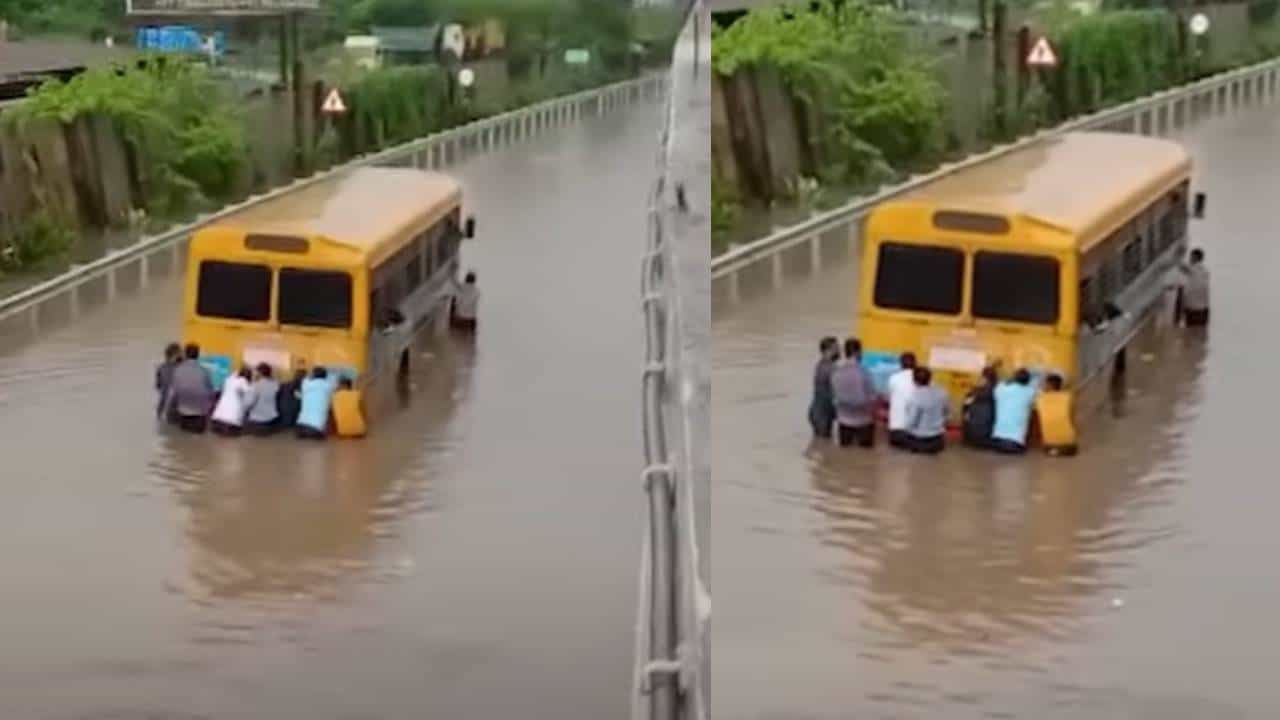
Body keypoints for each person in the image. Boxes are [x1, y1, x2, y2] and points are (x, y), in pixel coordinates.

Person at [830, 338, 875, 448]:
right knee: (866, 458)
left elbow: (835, 396)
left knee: (844, 455)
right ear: (857, 352)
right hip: (863, 421)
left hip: (843, 421)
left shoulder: (836, 372)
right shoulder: (864, 372)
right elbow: (872, 396)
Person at [165, 343, 215, 434]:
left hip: (183, 413)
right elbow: (211, 392)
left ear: (185, 354)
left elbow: (172, 393)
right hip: (200, 414)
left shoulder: (177, 370)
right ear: (198, 355)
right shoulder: (204, 371)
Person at [901, 367, 948, 454]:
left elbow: (912, 421)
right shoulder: (942, 392)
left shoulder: (914, 396)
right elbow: (947, 413)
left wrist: (906, 429)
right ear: (930, 379)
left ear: (914, 380)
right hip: (937, 440)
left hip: (918, 440)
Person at [991, 368, 1038, 454]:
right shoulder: (1030, 392)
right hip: (1016, 445)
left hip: (996, 442)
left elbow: (1002, 384)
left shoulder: (1000, 388)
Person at [1035, 374, 1078, 457]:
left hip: (1049, 444)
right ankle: (1059, 450)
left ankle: (1054, 450)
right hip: (1069, 444)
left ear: (1047, 385)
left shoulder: (1041, 398)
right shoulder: (1068, 397)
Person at [807, 337, 839, 439]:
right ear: (828, 350)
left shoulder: (820, 364)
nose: (839, 351)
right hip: (822, 414)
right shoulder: (831, 368)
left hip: (816, 411)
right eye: (837, 348)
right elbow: (836, 392)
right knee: (823, 445)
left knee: (820, 443)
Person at [296, 366, 340, 440]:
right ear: (325, 376)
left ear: (313, 375)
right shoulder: (329, 386)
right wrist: (330, 371)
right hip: (316, 429)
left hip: (300, 428)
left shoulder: (306, 384)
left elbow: (307, 378)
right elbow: (335, 380)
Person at [962, 366, 1000, 449]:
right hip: (987, 439)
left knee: (967, 413)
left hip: (971, 439)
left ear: (983, 377)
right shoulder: (998, 390)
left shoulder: (975, 391)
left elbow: (966, 405)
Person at [885, 352, 918, 448]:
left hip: (896, 433)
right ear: (916, 364)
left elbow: (889, 398)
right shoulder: (922, 380)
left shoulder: (893, 378)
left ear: (900, 364)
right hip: (916, 433)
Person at [210, 366, 255, 437]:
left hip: (218, 416)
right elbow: (250, 392)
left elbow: (233, 376)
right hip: (232, 420)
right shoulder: (242, 381)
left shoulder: (228, 379)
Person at [1174, 248, 1210, 327]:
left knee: (1191, 329)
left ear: (1195, 257)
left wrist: (1176, 255)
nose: (1190, 258)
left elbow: (1180, 265)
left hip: (1192, 307)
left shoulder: (1192, 269)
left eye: (1191, 257)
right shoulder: (1205, 271)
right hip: (1204, 308)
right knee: (1201, 332)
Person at [245, 363, 281, 436]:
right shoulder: (275, 384)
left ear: (259, 373)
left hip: (257, 420)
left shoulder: (256, 385)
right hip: (271, 418)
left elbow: (248, 403)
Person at [155, 342, 181, 420]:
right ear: (175, 356)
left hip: (162, 408)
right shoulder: (182, 369)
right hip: (176, 409)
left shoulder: (160, 368)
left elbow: (158, 387)